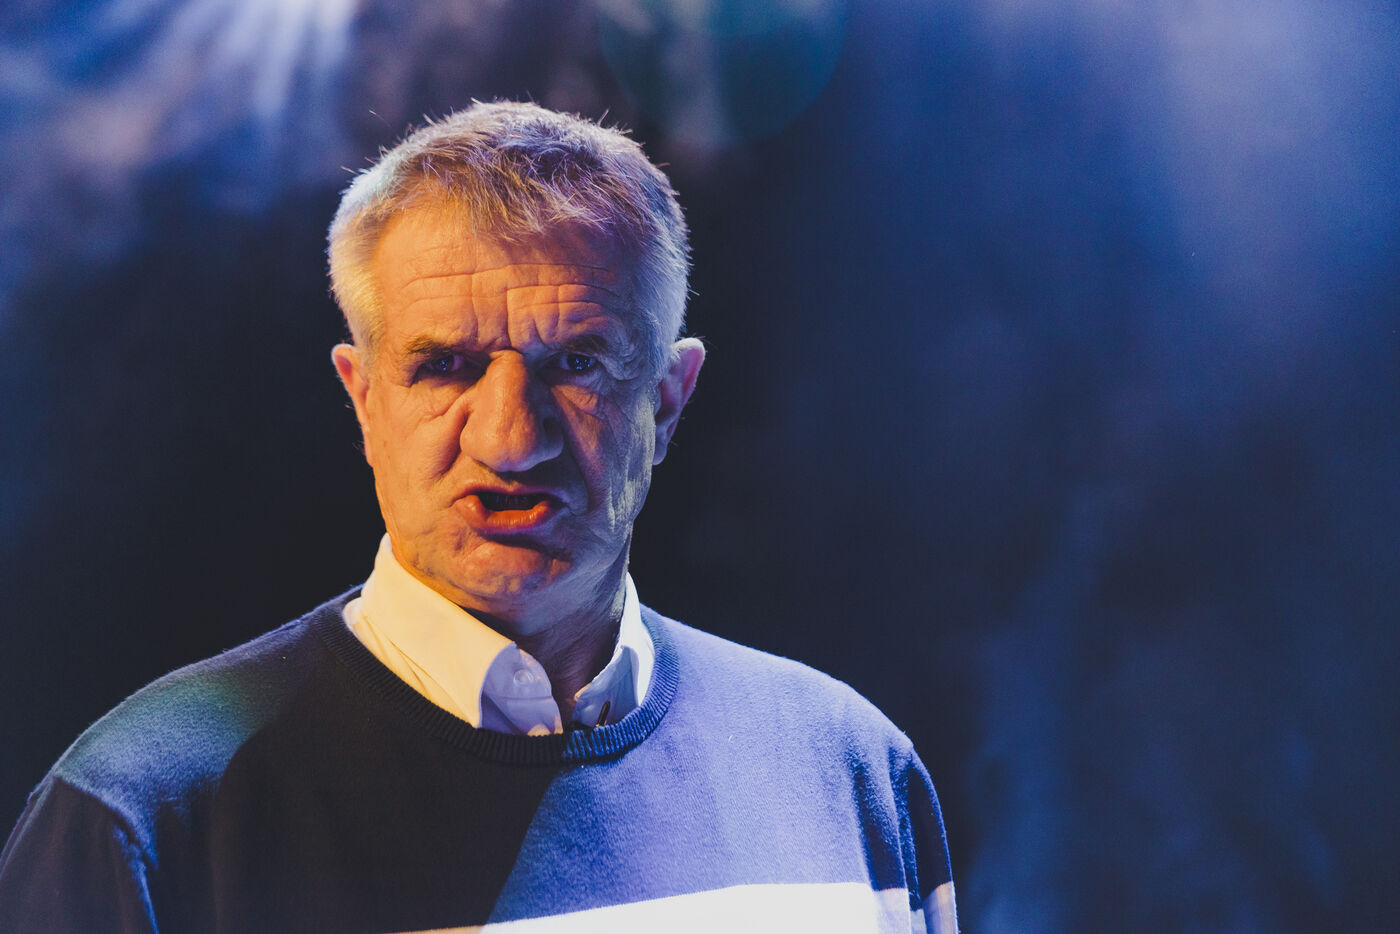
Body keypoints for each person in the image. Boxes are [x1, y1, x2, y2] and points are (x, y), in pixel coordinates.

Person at [0, 102, 957, 933]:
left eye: (576, 364)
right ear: (364, 399)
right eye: (445, 367)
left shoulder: (850, 775)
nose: (510, 441)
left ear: (668, 400)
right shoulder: (140, 817)